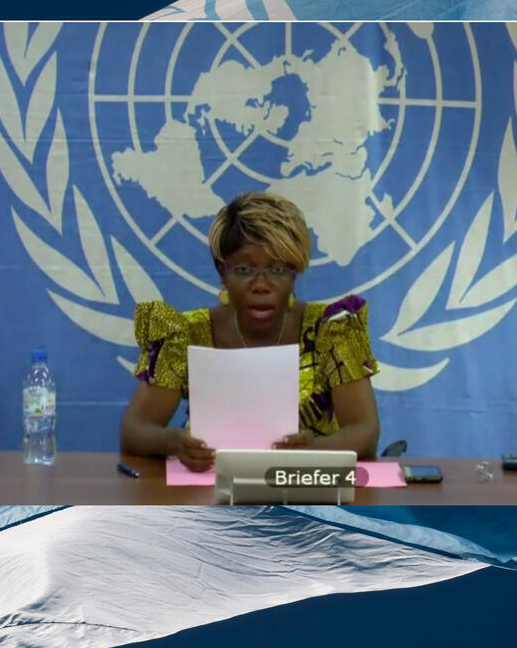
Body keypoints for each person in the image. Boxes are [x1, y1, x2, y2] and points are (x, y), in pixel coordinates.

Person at [120, 192, 381, 471]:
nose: (261, 285)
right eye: (244, 270)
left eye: (277, 270)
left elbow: (365, 432)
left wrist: (312, 450)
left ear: (294, 273)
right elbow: (134, 430)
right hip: (209, 487)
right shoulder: (188, 333)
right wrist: (175, 443)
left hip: (305, 486)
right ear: (222, 272)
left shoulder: (331, 329)